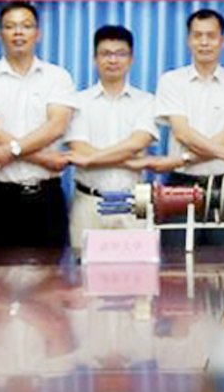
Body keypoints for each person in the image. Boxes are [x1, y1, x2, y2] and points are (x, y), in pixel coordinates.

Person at [0, 1, 76, 253]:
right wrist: (44, 159)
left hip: (46, 197)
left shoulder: (58, 77)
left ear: (38, 33)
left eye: (26, 26)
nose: (18, 32)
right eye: (10, 26)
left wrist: (11, 150)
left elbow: (57, 126)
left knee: (49, 274)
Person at [64, 25, 159, 253]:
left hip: (135, 199)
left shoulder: (147, 101)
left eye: (120, 54)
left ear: (131, 59)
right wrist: (128, 158)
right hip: (89, 199)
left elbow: (138, 143)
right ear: (95, 58)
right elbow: (80, 149)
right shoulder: (77, 102)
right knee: (84, 270)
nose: (113, 60)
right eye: (106, 53)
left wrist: (91, 159)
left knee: (139, 269)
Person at [155, 9, 224, 186]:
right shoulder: (171, 80)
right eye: (197, 36)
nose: (204, 42)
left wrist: (184, 158)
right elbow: (183, 134)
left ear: (222, 41)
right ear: (188, 41)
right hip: (182, 180)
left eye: (211, 36)